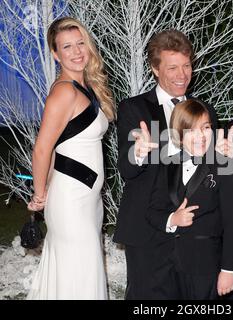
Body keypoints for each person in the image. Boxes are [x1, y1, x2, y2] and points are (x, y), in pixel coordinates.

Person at [113, 30, 218, 300]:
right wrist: (138, 153)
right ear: (154, 69)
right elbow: (126, 170)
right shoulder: (133, 109)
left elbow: (216, 174)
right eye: (172, 67)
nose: (182, 74)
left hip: (195, 231)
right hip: (147, 230)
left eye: (186, 65)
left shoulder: (204, 111)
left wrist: (224, 155)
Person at [27, 17, 114, 300]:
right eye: (67, 47)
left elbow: (60, 147)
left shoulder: (84, 86)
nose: (77, 52)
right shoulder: (64, 92)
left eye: (81, 44)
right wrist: (40, 194)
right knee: (80, 276)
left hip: (88, 199)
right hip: (71, 202)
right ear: (55, 53)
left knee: (79, 275)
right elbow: (42, 149)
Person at [146, 99, 233, 299]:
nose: (200, 136)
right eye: (191, 130)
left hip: (206, 266)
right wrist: (172, 219)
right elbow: (152, 210)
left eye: (205, 128)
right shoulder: (168, 166)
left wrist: (228, 269)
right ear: (179, 135)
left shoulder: (222, 165)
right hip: (167, 267)